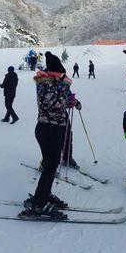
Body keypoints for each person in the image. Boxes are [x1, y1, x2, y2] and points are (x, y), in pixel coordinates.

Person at [19, 53, 78, 219]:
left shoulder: (53, 84)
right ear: (55, 73)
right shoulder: (47, 85)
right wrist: (66, 92)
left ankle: (44, 195)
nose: (62, 77)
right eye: (60, 74)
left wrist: (71, 100)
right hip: (49, 129)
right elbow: (55, 104)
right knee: (51, 166)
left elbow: (61, 102)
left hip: (52, 128)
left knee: (50, 165)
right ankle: (39, 203)